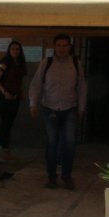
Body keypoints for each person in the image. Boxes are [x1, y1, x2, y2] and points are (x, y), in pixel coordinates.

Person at [30, 33, 87, 189]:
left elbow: (82, 87)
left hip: (70, 108)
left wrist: (81, 107)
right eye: (59, 46)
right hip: (50, 108)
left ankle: (67, 176)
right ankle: (52, 177)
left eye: (65, 45)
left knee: (69, 144)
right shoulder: (46, 63)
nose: (62, 49)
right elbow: (36, 84)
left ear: (69, 47)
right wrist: (33, 104)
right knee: (51, 144)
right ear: (54, 47)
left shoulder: (76, 63)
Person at [0, 40, 25, 152]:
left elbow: (19, 80)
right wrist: (4, 92)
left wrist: (21, 93)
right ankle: (0, 149)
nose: (15, 51)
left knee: (8, 125)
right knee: (4, 125)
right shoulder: (5, 63)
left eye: (17, 49)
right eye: (13, 49)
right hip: (4, 99)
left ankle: (4, 149)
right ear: (9, 51)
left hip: (15, 98)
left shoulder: (19, 63)